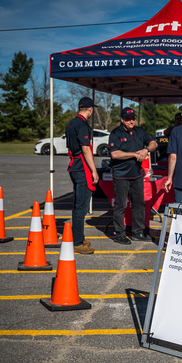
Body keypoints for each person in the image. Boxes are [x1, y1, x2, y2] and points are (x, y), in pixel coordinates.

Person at [108, 107, 158, 245]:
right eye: (128, 119)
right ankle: (119, 234)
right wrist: (135, 154)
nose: (132, 121)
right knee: (120, 205)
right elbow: (115, 154)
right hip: (121, 175)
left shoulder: (140, 131)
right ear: (122, 120)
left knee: (139, 204)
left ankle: (138, 232)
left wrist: (146, 149)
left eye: (133, 118)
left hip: (136, 175)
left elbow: (154, 143)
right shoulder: (115, 133)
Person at [65, 97, 100, 254]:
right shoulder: (83, 125)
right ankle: (78, 242)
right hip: (82, 168)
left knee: (77, 204)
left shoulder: (71, 123)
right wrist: (94, 170)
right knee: (81, 207)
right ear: (90, 109)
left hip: (74, 166)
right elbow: (85, 149)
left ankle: (78, 236)